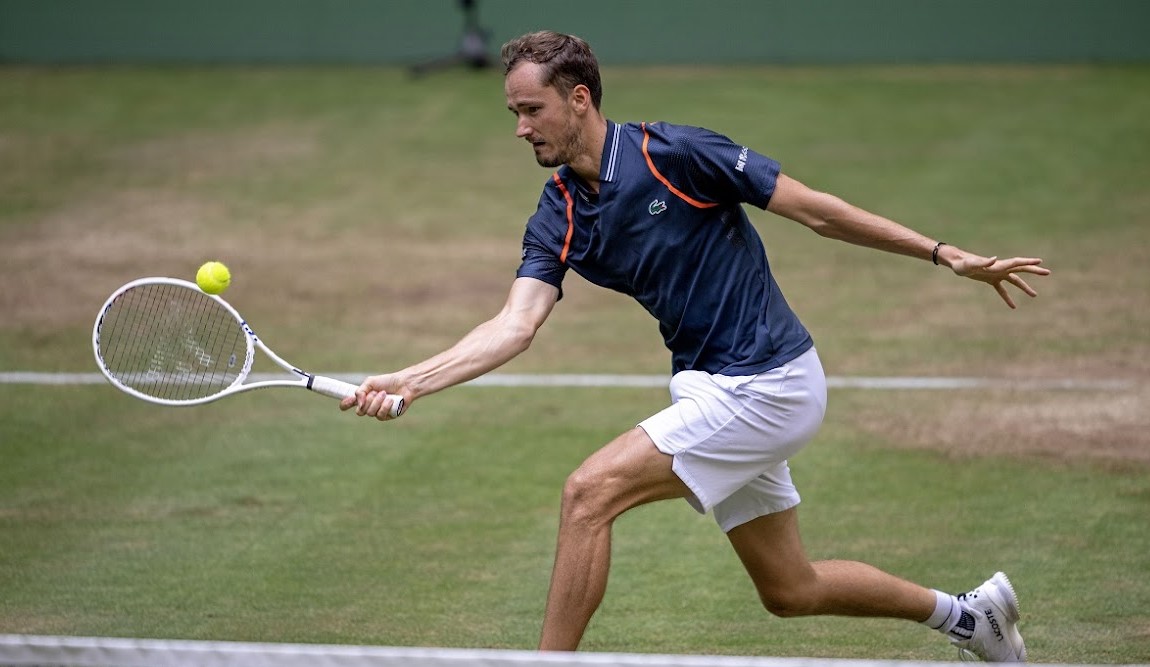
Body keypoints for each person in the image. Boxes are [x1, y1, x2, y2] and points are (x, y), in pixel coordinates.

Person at [342, 30, 1049, 661]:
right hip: (712, 386)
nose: (521, 128)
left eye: (532, 110)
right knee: (789, 587)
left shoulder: (675, 154)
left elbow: (818, 213)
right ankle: (969, 616)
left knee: (588, 493)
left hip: (770, 381)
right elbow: (514, 325)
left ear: (579, 98)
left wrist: (944, 253)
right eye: (514, 114)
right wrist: (412, 378)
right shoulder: (558, 212)